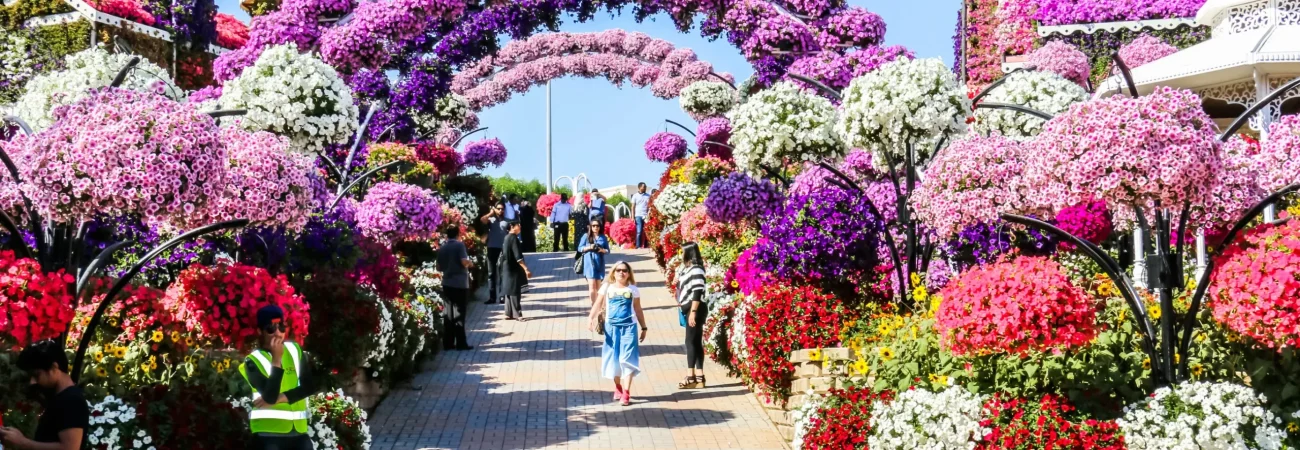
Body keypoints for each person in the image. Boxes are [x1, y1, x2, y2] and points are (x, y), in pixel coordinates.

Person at [238, 305, 319, 450]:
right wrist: (276, 360)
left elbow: (309, 387)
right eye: (270, 328)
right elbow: (269, 397)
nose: (277, 333)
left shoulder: (295, 350)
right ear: (260, 331)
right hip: (269, 436)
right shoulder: (252, 361)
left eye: (281, 326)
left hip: (299, 434)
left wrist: (281, 397)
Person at [0, 340, 87, 450]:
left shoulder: (71, 400)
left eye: (37, 375)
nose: (33, 382)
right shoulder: (61, 397)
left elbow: (70, 448)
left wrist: (22, 442)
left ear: (54, 367)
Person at [587, 261, 647, 406]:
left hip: (629, 328)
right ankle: (618, 387)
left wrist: (644, 327)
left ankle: (626, 393)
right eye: (618, 270)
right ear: (613, 272)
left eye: (625, 270)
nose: (621, 273)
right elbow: (598, 303)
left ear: (629, 273)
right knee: (614, 360)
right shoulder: (607, 287)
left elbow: (638, 309)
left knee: (626, 359)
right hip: (611, 328)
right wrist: (590, 318)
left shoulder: (633, 289)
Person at [436, 226, 475, 350]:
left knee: (449, 313)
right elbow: (464, 261)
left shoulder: (442, 247)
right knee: (459, 313)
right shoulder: (459, 245)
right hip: (459, 284)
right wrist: (470, 263)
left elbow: (438, 267)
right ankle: (461, 343)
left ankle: (448, 343)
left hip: (447, 283)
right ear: (458, 234)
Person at [676, 243, 708, 389]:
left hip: (695, 309)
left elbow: (697, 291)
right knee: (695, 341)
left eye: (682, 252)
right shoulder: (689, 269)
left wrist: (693, 312)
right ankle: (700, 377)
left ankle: (691, 377)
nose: (680, 254)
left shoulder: (696, 270)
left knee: (690, 342)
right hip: (691, 308)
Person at [499, 220, 533, 320]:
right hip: (513, 269)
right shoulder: (513, 238)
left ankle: (508, 313)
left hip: (506, 267)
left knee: (508, 290)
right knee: (514, 291)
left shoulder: (506, 237)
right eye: (518, 225)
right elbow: (518, 256)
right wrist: (526, 269)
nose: (520, 226)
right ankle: (517, 314)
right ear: (512, 226)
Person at [481, 201, 509, 304]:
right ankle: (492, 297)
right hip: (492, 248)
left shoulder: (507, 221)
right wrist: (490, 213)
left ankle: (502, 296)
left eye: (502, 209)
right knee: (491, 273)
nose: (500, 210)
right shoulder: (490, 220)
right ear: (495, 209)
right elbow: (482, 219)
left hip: (503, 249)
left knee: (502, 273)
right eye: (498, 208)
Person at [578, 220, 611, 306]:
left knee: (599, 286)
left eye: (597, 226)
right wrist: (589, 247)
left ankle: (600, 305)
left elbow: (608, 250)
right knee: (592, 286)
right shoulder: (586, 236)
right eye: (593, 226)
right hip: (589, 264)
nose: (596, 227)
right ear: (590, 227)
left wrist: (602, 250)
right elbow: (579, 248)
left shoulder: (603, 237)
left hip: (599, 263)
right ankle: (594, 305)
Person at [631, 183, 652, 249]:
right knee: (639, 231)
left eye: (645, 187)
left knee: (646, 231)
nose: (645, 188)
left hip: (646, 215)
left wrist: (649, 214)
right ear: (639, 188)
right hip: (638, 215)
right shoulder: (635, 196)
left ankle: (646, 245)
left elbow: (650, 206)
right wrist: (632, 217)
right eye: (644, 187)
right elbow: (633, 207)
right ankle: (638, 246)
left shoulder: (648, 196)